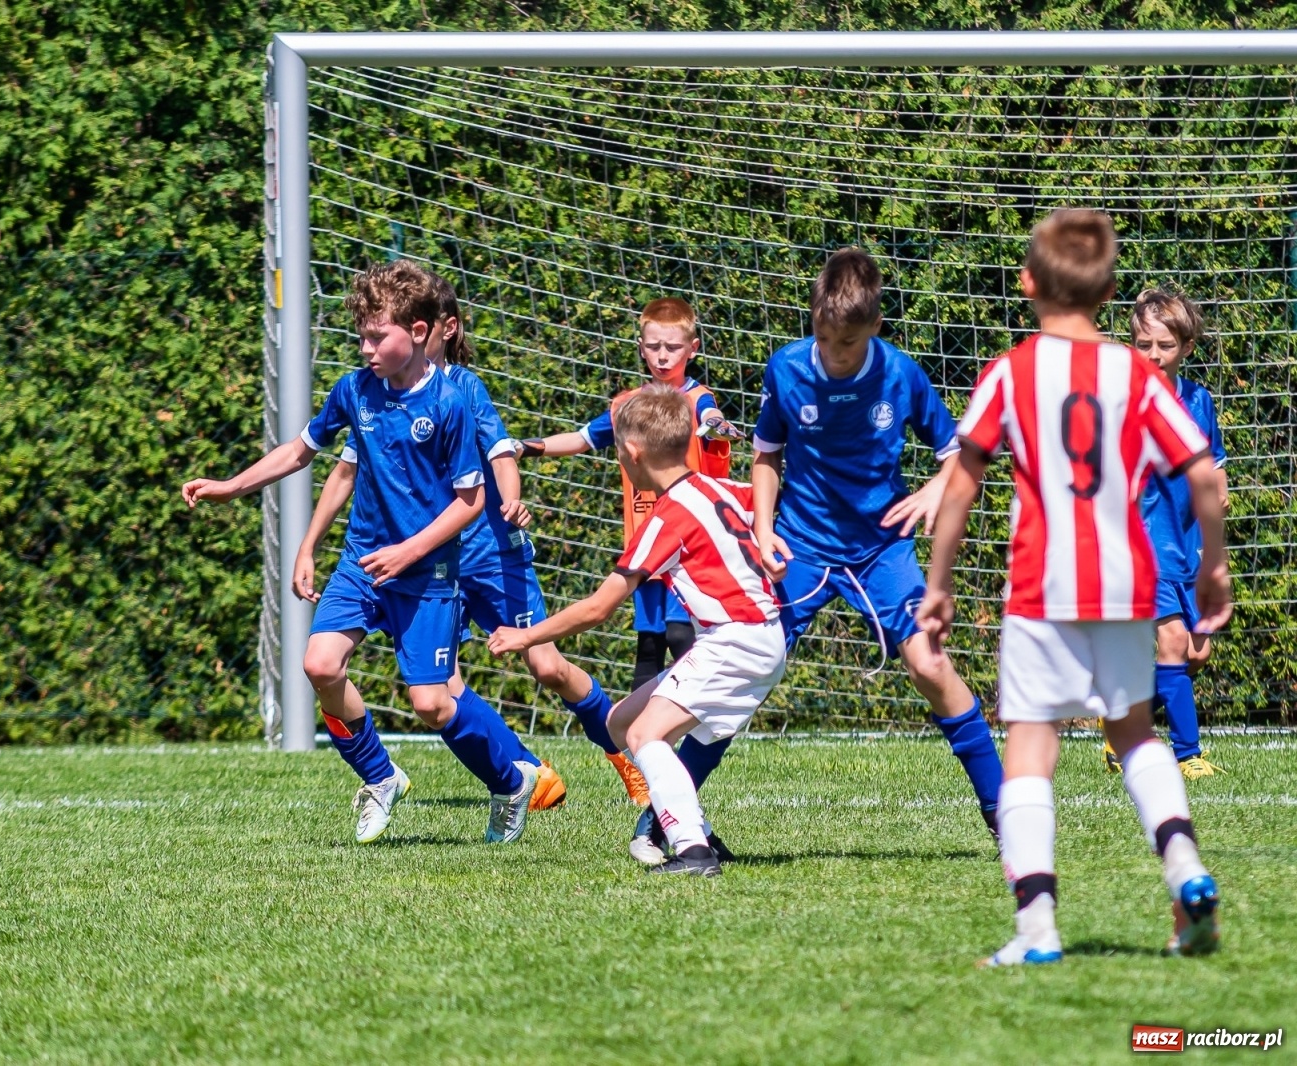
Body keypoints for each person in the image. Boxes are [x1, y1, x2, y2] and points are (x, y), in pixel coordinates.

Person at [917, 208, 1231, 965]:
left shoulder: (1011, 373)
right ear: (1109, 290)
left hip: (1043, 584)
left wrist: (940, 582)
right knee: (1133, 733)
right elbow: (1204, 473)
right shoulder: (1134, 372)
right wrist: (1213, 568)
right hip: (1129, 584)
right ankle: (1185, 869)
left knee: (1030, 744)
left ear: (1028, 282)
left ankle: (1036, 929)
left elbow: (959, 486)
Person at [181, 260, 540, 845]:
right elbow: (300, 451)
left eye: (379, 336)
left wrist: (410, 551)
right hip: (362, 561)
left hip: (427, 573)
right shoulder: (355, 389)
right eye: (363, 336)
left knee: (431, 705)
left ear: (420, 333)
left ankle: (509, 783)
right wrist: (228, 487)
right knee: (320, 664)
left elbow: (470, 502)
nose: (366, 347)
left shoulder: (450, 402)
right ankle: (380, 777)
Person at [292, 273, 637, 808]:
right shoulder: (378, 398)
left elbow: (502, 452)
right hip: (438, 559)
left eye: (387, 334)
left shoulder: (461, 391)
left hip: (491, 553)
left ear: (440, 329)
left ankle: (625, 758)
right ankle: (522, 771)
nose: (372, 348)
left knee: (546, 666)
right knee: (439, 685)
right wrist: (311, 543)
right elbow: (346, 468)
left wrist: (511, 499)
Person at [750, 247, 1003, 840]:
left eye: (850, 344)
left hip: (882, 548)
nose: (837, 355)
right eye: (827, 338)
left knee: (928, 662)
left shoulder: (899, 373)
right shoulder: (784, 368)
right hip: (801, 545)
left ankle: (1002, 812)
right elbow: (766, 455)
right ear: (813, 317)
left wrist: (934, 492)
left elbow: (959, 453)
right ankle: (667, 822)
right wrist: (763, 530)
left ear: (874, 329)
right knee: (746, 667)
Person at [491, 384, 786, 877]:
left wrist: (526, 636)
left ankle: (692, 852)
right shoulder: (724, 490)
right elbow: (775, 509)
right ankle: (699, 830)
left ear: (631, 453)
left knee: (647, 733)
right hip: (754, 637)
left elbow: (599, 607)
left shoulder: (665, 515)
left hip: (736, 638)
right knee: (622, 723)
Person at [516, 296, 742, 820]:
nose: (663, 356)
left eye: (673, 347)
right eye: (654, 347)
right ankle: (649, 751)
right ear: (641, 348)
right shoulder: (626, 406)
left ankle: (685, 738)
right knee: (651, 646)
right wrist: (526, 447)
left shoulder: (698, 399)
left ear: (693, 348)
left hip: (688, 552)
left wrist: (719, 430)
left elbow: (710, 421)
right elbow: (584, 437)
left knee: (687, 643)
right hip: (646, 554)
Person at [1100, 289, 1228, 779]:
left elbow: (1214, 465)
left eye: (1165, 345)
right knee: (1173, 642)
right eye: (1143, 344)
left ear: (1187, 346)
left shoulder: (1200, 401)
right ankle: (1186, 754)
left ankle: (1119, 724)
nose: (1153, 355)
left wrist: (1219, 494)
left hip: (1186, 543)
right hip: (1142, 544)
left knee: (1197, 652)